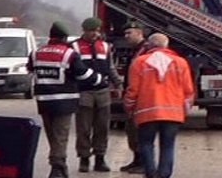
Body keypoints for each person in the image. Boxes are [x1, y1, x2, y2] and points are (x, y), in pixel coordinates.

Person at [27, 22, 102, 178]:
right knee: (61, 135)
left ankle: (60, 166)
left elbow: (30, 69)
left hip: (44, 102)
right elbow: (83, 74)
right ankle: (57, 168)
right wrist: (100, 80)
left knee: (52, 136)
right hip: (64, 102)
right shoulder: (68, 54)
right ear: (64, 37)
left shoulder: (36, 53)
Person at [123, 33, 195, 178]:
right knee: (168, 146)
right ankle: (164, 175)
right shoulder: (180, 63)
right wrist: (184, 111)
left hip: (146, 113)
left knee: (146, 144)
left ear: (149, 45)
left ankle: (150, 173)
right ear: (166, 45)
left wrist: (129, 108)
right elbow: (188, 91)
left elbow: (132, 91)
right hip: (173, 114)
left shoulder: (139, 62)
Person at [72, 17, 123, 173]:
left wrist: (118, 83)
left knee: (102, 127)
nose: (95, 33)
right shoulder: (75, 47)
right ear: (85, 30)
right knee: (84, 128)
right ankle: (84, 158)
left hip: (102, 92)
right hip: (83, 91)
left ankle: (100, 158)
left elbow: (110, 67)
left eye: (97, 30)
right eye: (91, 30)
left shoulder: (105, 47)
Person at [118, 20, 149, 174]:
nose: (126, 36)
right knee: (132, 131)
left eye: (129, 33)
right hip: (135, 96)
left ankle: (144, 162)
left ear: (139, 33)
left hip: (142, 98)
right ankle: (137, 160)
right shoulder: (136, 50)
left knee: (140, 132)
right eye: (125, 33)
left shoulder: (145, 51)